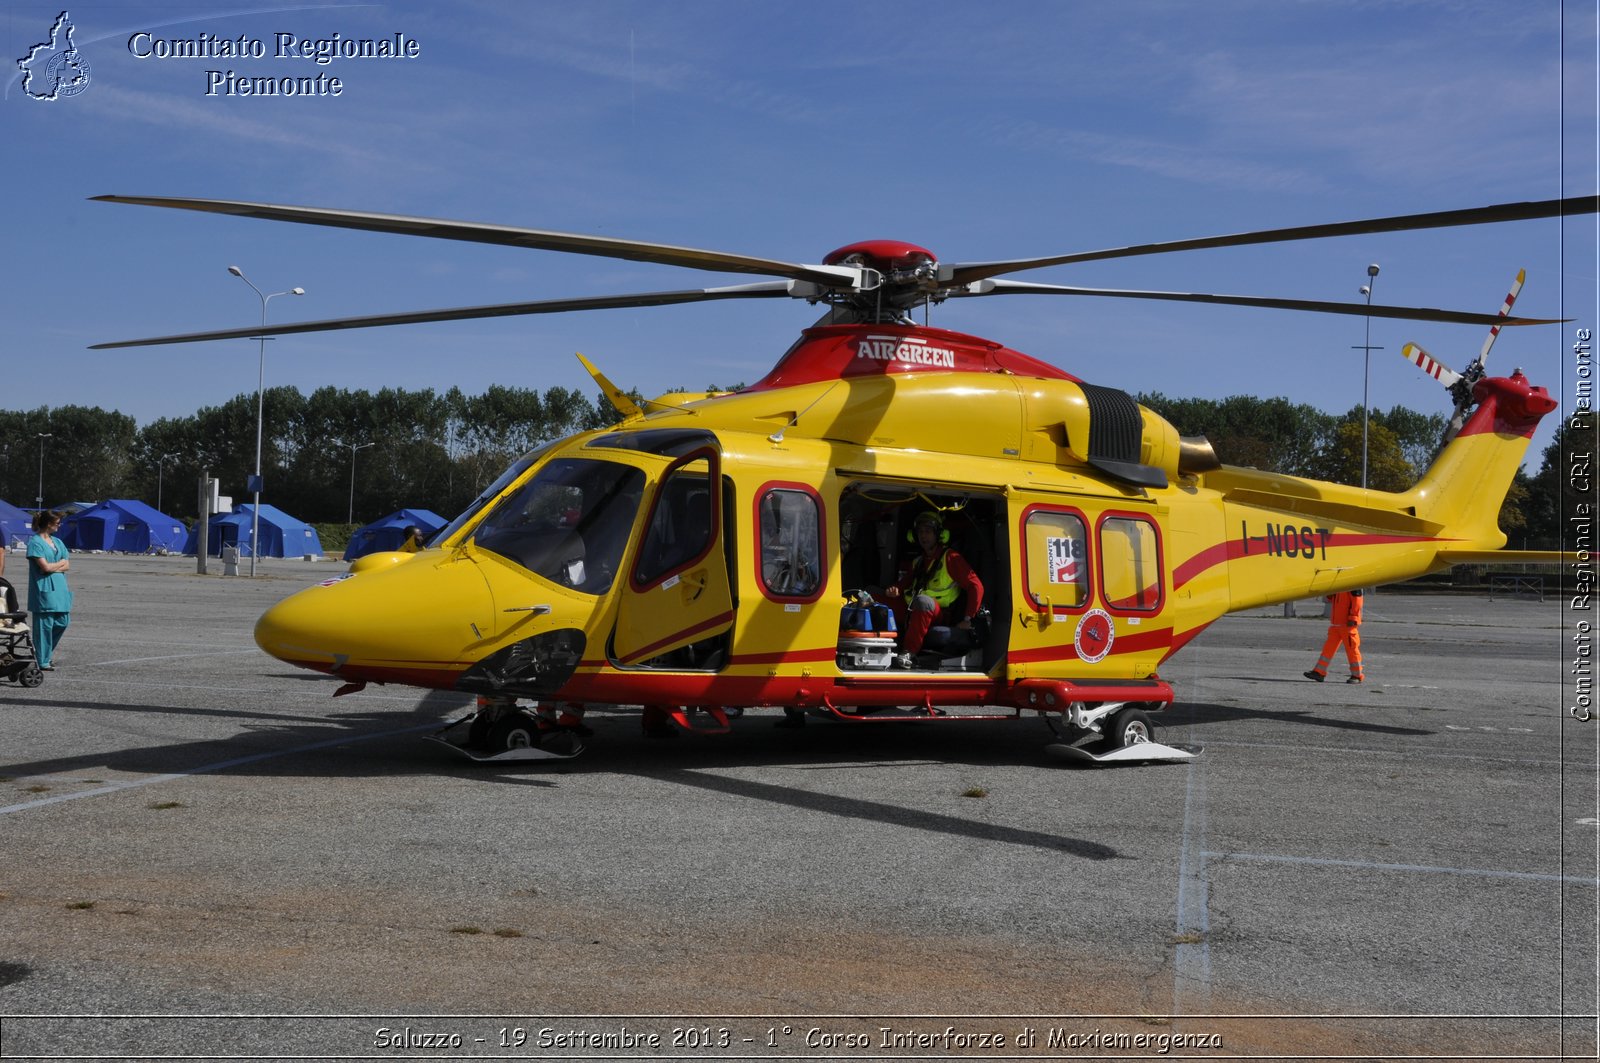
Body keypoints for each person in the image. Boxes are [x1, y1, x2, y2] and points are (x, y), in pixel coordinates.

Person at [883, 510, 983, 668]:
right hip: (913, 610)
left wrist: (968, 620)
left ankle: (909, 653)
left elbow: (976, 586)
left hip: (938, 614)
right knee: (874, 596)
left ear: (939, 535)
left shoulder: (951, 558)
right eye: (921, 532)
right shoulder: (918, 561)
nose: (924, 536)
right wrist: (894, 589)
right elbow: (904, 583)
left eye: (928, 532)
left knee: (923, 602)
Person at [26, 510, 72, 671]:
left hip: (60, 589)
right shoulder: (35, 543)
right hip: (44, 589)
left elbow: (67, 564)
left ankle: (43, 653)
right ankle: (43, 659)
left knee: (63, 622)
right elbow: (44, 567)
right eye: (57, 523)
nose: (60, 525)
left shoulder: (58, 542)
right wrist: (58, 565)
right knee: (44, 627)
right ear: (48, 524)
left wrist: (55, 567)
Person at [1305, 588, 1364, 684]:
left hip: (1347, 625)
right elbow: (1331, 600)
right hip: (1336, 624)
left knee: (1352, 650)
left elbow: (1357, 601)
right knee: (1328, 649)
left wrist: (1353, 617)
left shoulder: (1353, 584)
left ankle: (1357, 675)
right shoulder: (1340, 585)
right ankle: (1319, 672)